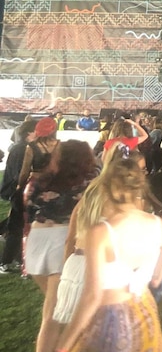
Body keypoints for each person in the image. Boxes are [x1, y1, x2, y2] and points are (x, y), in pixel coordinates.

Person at [54, 158, 162, 352]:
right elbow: (157, 278)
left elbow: (92, 295)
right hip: (145, 312)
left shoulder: (102, 232)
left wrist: (63, 345)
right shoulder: (156, 223)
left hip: (110, 319)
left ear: (107, 189)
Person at [25, 140, 99, 352]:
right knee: (54, 314)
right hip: (64, 239)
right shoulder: (90, 181)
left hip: (37, 241)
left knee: (59, 307)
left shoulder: (37, 181)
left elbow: (28, 210)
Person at [0, 119, 37, 273]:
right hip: (19, 192)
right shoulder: (22, 149)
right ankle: (6, 261)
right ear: (30, 132)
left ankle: (14, 259)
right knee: (17, 226)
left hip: (19, 191)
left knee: (18, 224)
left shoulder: (22, 147)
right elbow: (18, 174)